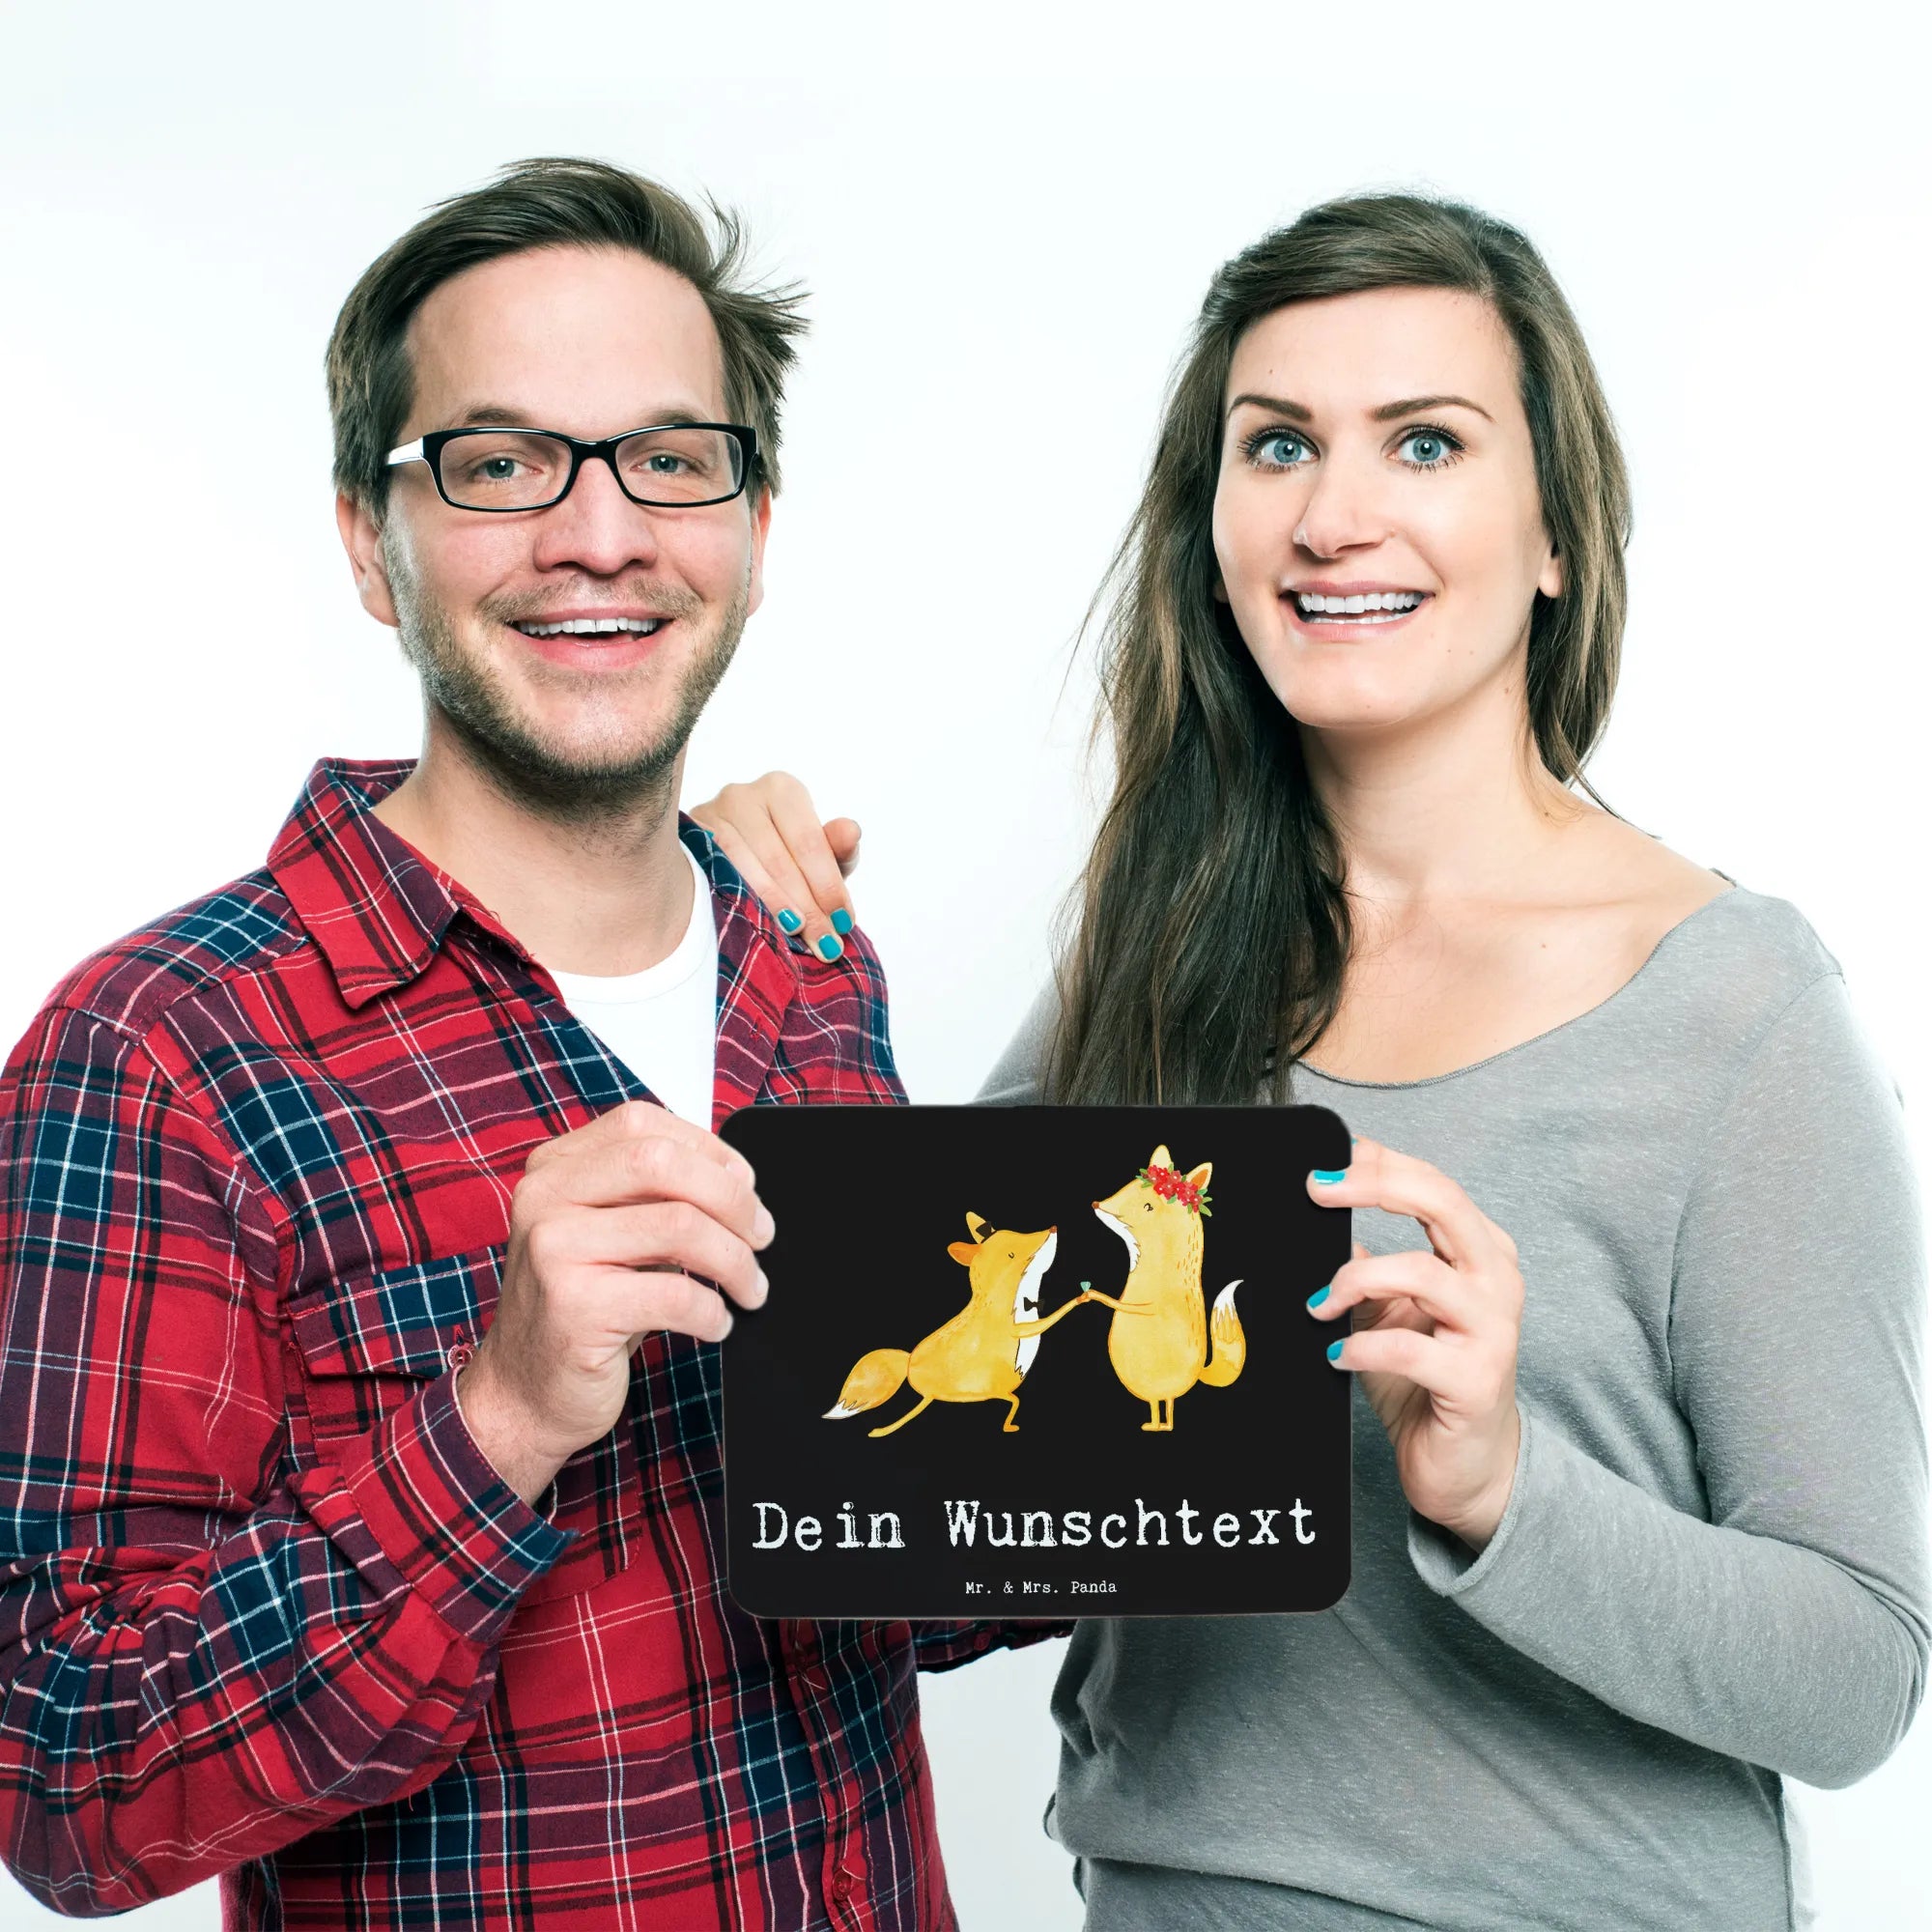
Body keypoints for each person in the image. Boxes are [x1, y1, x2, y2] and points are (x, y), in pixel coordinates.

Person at [691, 193, 1929, 1929]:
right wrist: (729, 931)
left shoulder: (1737, 1012)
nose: (1334, 517)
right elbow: (893, 1432)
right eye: (1277, 444)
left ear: (1557, 533)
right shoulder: (1155, 944)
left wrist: (1503, 1489)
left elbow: (1858, 1676)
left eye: (1425, 441)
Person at [0, 157, 1056, 1928]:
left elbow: (882, 1589)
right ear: (372, 542)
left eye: (670, 459)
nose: (601, 534)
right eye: (500, 466)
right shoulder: (160, 1056)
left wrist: (1203, 1411)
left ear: (753, 529)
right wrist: (495, 1420)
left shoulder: (808, 963)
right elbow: (67, 1788)